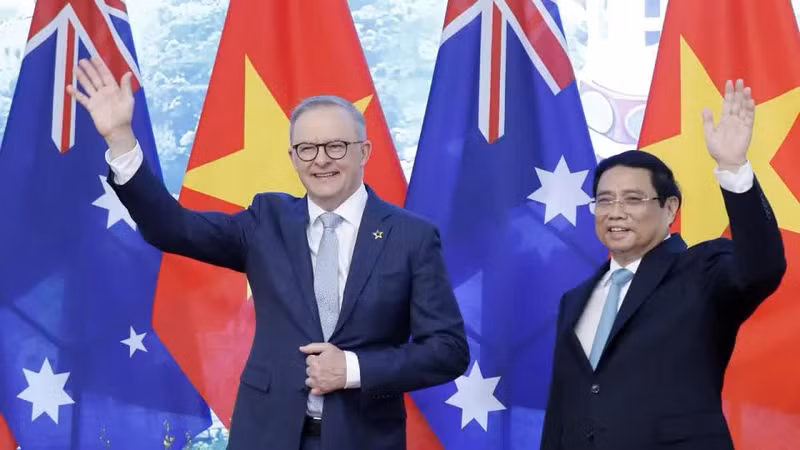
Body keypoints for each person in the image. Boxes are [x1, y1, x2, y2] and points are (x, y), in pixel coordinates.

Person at [67, 57, 469, 450]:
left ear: (363, 152)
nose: (321, 159)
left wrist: (352, 369)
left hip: (364, 437)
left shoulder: (411, 236)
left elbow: (448, 351)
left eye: (336, 146)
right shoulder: (266, 220)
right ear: (293, 158)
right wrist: (120, 138)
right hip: (265, 434)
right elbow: (171, 228)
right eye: (307, 149)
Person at [540, 79, 786, 450]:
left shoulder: (702, 271)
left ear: (670, 209)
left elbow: (762, 268)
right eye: (604, 200)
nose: (615, 212)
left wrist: (733, 169)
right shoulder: (574, 299)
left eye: (633, 199)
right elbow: (562, 410)